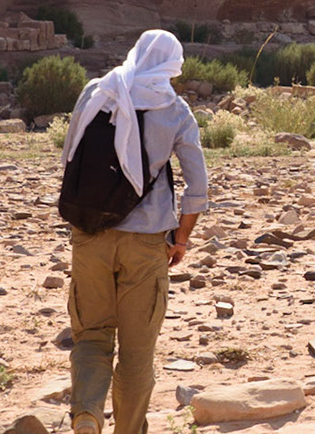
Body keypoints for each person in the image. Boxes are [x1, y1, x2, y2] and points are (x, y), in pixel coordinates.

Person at [60, 30, 209, 434]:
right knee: (137, 352)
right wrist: (181, 240)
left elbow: (70, 157)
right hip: (146, 244)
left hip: (90, 234)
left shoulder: (98, 91)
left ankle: (87, 415)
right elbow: (197, 187)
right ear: (173, 65)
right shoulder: (175, 110)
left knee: (92, 336)